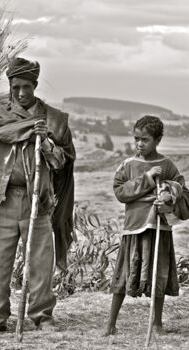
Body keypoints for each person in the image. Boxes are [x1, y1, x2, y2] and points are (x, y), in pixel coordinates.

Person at [0, 57, 76, 335]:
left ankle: (42, 316)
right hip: (5, 200)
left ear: (35, 85)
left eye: (27, 87)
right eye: (16, 87)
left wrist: (45, 142)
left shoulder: (52, 120)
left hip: (38, 201)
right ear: (10, 86)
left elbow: (61, 162)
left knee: (40, 264)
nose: (21, 93)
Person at [104, 115, 189, 336]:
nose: (140, 144)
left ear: (158, 140)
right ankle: (111, 323)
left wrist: (169, 200)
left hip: (159, 228)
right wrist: (148, 178)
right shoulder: (128, 165)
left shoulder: (168, 165)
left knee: (158, 275)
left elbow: (184, 194)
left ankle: (157, 324)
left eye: (146, 139)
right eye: (137, 139)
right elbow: (120, 192)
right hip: (133, 228)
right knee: (123, 275)